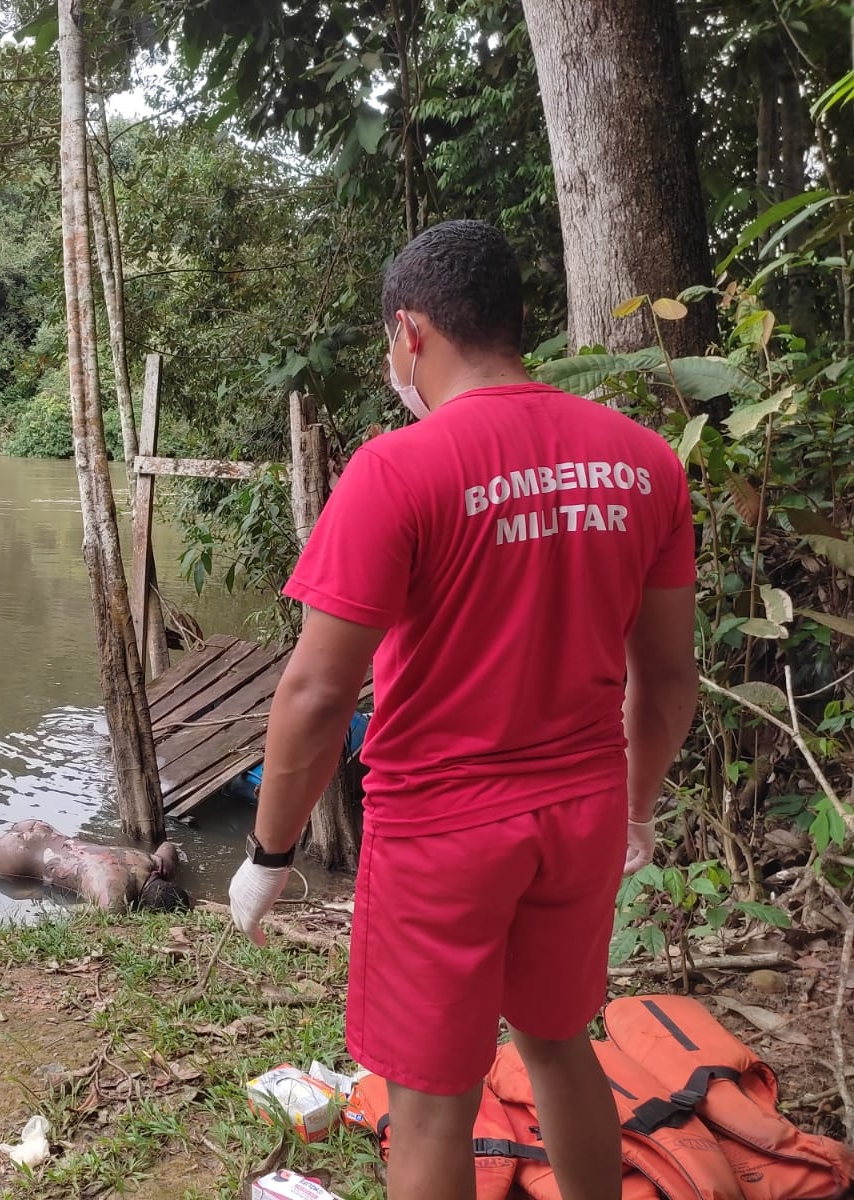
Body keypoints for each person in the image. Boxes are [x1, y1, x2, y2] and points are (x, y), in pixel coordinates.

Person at [227, 220, 698, 1200]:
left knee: (431, 1102)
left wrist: (269, 855)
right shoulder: (643, 461)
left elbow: (316, 693)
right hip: (582, 813)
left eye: (389, 344)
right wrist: (637, 806)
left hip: (440, 830)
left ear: (411, 333)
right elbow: (665, 678)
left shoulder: (396, 472)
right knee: (559, 1042)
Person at [0, 819, 191, 912]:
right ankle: (6, 841)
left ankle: (13, 831)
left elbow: (168, 847)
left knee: (19, 835)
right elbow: (110, 912)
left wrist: (171, 868)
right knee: (18, 876)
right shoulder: (113, 888)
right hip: (17, 858)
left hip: (38, 829)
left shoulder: (151, 861)